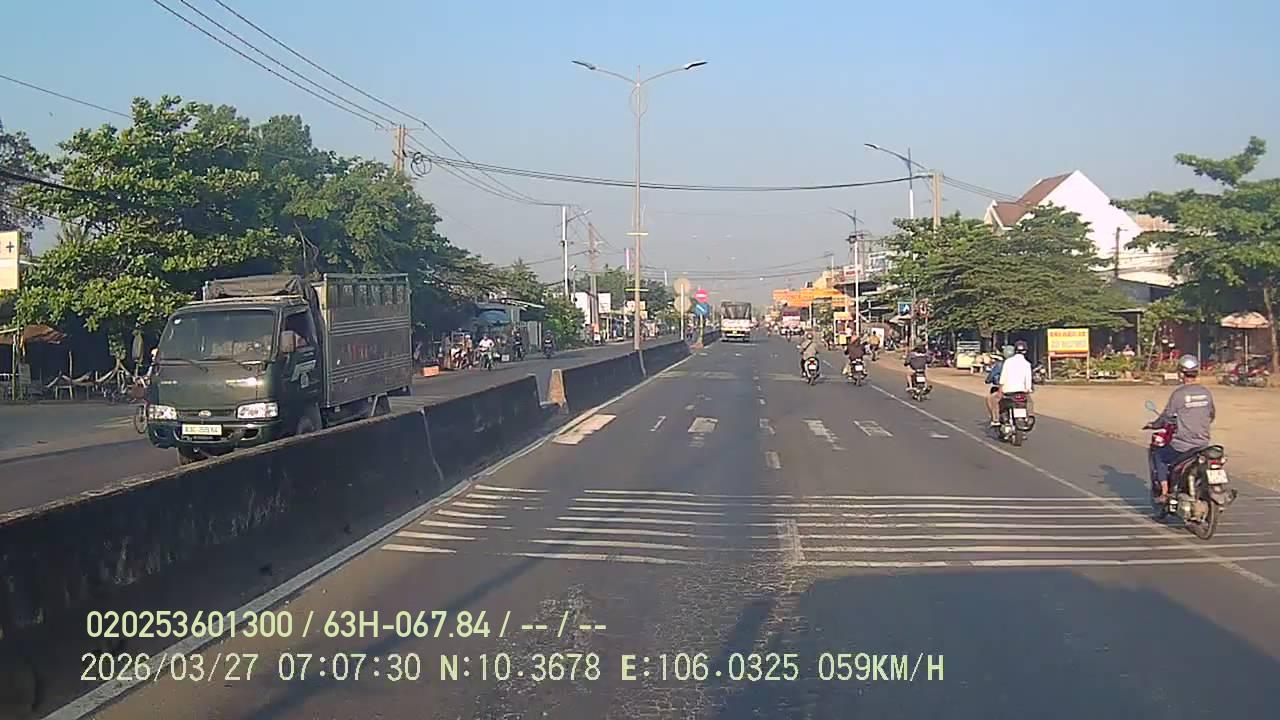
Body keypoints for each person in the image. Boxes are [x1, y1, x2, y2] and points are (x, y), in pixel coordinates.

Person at [1147, 355, 1215, 502]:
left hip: (1183, 445)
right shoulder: (1206, 392)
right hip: (1203, 444)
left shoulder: (1179, 394)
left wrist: (1154, 424)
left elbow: (1166, 416)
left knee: (1159, 455)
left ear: (1181, 373)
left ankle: (1165, 493)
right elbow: (1211, 415)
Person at [998, 340, 1035, 415]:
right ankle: (1030, 416)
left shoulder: (1008, 362)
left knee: (997, 401)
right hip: (1021, 391)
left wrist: (1001, 388)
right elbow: (1028, 380)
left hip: (1007, 391)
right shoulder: (1027, 364)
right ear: (1025, 351)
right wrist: (1028, 389)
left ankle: (997, 419)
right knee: (1030, 402)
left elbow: (1002, 378)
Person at [985, 347, 1015, 425]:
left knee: (990, 399)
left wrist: (988, 380)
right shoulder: (1019, 364)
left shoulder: (1000, 365)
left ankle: (995, 419)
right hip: (1020, 390)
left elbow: (991, 377)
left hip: (1004, 389)